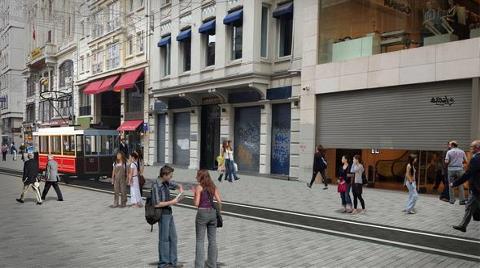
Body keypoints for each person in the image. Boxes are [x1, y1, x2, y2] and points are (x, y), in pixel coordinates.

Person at [152, 165, 184, 268]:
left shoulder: (166, 182)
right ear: (164, 175)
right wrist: (172, 201)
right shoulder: (156, 185)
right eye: (170, 176)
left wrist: (180, 187)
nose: (171, 177)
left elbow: (173, 184)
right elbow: (156, 203)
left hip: (169, 213)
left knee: (173, 238)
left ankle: (172, 262)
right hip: (162, 214)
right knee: (164, 239)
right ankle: (163, 264)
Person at [193, 170, 222, 268]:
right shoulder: (213, 186)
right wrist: (218, 212)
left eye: (197, 176)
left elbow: (196, 203)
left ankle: (199, 265)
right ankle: (212, 264)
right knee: (212, 240)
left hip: (202, 213)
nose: (196, 178)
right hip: (212, 213)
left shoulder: (199, 187)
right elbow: (219, 201)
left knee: (200, 241)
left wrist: (195, 195)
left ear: (201, 177)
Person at [452, 140, 480, 232]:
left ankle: (464, 224)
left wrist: (455, 183)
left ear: (477, 148)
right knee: (469, 205)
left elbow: (468, 174)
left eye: (472, 147)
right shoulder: (476, 158)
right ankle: (463, 225)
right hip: (475, 188)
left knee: (470, 205)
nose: (470, 148)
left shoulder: (476, 159)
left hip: (477, 189)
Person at [445, 141, 467, 205]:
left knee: (451, 185)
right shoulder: (462, 151)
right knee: (460, 184)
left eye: (449, 145)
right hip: (460, 169)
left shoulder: (449, 152)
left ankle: (452, 200)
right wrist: (459, 163)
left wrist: (451, 162)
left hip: (451, 169)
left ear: (452, 145)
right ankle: (462, 200)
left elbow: (446, 161)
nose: (449, 146)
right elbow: (466, 161)